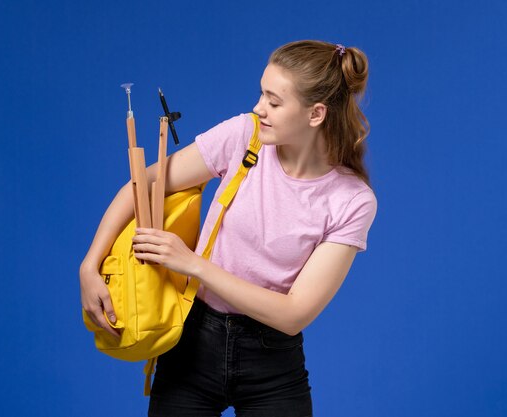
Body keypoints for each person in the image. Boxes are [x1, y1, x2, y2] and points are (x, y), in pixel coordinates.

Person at [80, 40, 377, 417]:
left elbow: (293, 314)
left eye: (274, 101)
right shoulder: (244, 136)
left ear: (316, 113)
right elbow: (140, 185)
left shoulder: (351, 200)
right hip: (192, 343)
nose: (258, 108)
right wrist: (90, 266)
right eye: (261, 93)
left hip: (273, 363)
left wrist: (193, 264)